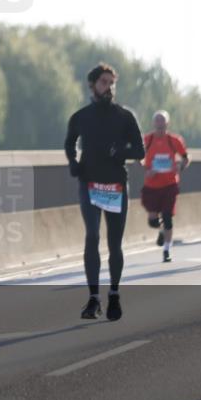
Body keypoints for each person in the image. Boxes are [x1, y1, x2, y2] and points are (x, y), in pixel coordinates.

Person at [65, 63, 146, 321]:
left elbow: (140, 151)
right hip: (89, 184)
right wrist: (74, 163)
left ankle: (113, 294)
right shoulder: (80, 116)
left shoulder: (124, 116)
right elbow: (69, 142)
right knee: (91, 236)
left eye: (112, 83)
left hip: (115, 186)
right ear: (92, 85)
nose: (108, 87)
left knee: (114, 243)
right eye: (103, 82)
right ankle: (93, 298)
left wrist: (120, 152)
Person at [141, 111, 190, 263]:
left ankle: (167, 250)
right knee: (152, 221)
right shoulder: (147, 140)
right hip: (151, 185)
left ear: (167, 123)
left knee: (168, 217)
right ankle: (161, 230)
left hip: (170, 184)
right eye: (157, 121)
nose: (160, 124)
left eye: (162, 121)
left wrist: (180, 166)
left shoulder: (174, 140)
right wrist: (147, 170)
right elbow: (138, 158)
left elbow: (186, 158)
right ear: (153, 123)